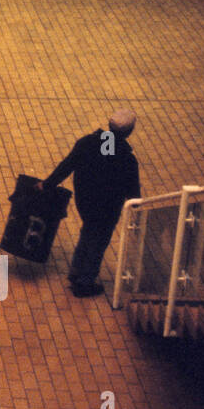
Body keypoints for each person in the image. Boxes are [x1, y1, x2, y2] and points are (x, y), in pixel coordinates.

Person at [39, 109, 141, 298]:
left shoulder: (88, 143)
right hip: (107, 209)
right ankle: (85, 282)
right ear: (129, 132)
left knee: (88, 231)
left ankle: (76, 271)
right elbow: (133, 193)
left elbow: (66, 166)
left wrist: (47, 184)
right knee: (98, 241)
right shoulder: (127, 159)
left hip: (84, 202)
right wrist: (138, 208)